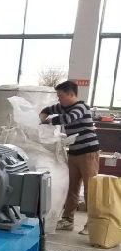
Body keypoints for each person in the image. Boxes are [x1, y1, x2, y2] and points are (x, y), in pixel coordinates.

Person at [39, 80, 99, 232]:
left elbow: (68, 118)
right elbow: (48, 109)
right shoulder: (62, 107)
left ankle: (93, 224)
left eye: (61, 96)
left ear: (71, 94)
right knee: (72, 188)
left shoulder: (81, 107)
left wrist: (48, 121)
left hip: (88, 153)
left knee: (90, 190)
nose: (59, 99)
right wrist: (42, 115)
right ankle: (67, 220)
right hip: (73, 153)